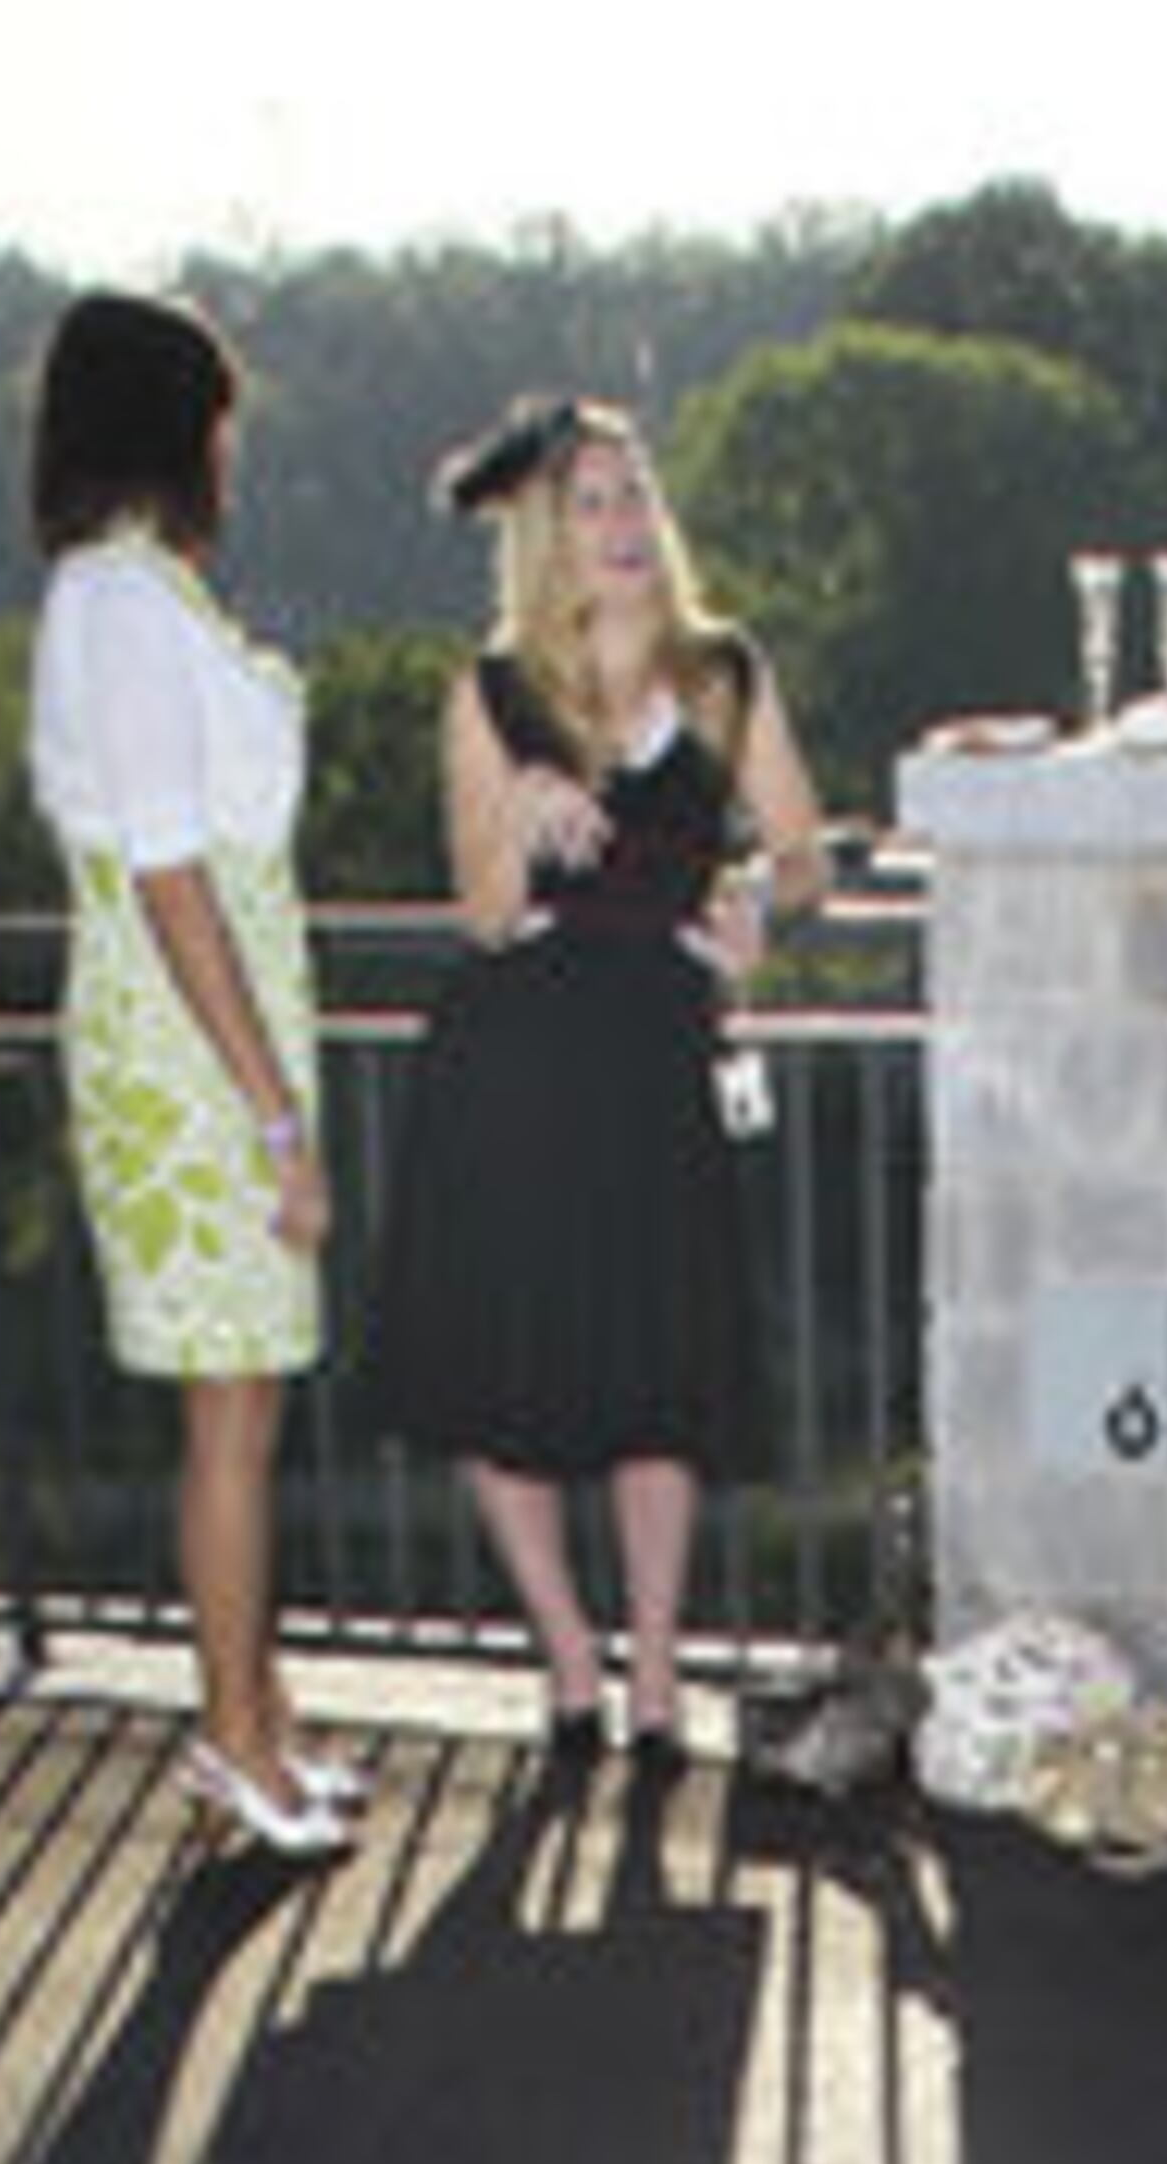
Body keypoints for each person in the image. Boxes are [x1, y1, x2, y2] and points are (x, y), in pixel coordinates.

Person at [358, 397, 828, 1764]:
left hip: (655, 1058)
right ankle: (571, 1662)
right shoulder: (493, 689)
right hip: (513, 1065)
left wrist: (756, 897)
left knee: (657, 1374)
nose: (622, 527)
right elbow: (486, 918)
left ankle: (662, 1678)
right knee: (506, 1375)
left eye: (634, 498)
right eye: (591, 507)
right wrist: (519, 811)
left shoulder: (724, 670)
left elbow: (804, 852)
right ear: (547, 542)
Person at [27, 287, 362, 1859]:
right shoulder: (118, 606)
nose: (233, 447)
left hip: (207, 1038)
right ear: (174, 429)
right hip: (190, 1056)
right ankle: (234, 1742)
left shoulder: (144, 600)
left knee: (248, 1400)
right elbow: (172, 878)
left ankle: (263, 1719)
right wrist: (274, 1114)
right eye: (218, 417)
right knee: (230, 1408)